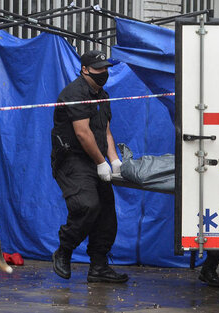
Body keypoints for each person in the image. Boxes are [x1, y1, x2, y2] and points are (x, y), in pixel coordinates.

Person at [50, 50, 128, 283]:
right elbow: (83, 133)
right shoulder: (75, 93)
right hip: (72, 159)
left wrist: (114, 160)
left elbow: (105, 131)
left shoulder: (102, 95)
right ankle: (64, 250)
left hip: (96, 158)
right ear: (85, 69)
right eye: (98, 68)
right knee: (87, 205)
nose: (103, 72)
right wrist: (101, 162)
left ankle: (99, 267)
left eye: (105, 68)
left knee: (106, 213)